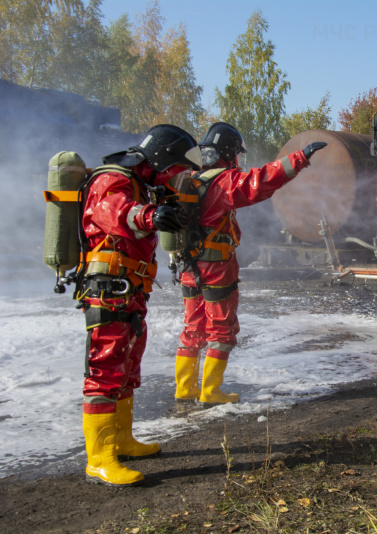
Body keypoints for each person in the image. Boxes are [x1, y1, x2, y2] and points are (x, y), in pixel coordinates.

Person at [80, 124, 201, 485]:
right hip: (108, 287)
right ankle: (99, 459)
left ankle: (121, 441)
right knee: (105, 366)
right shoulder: (113, 179)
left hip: (130, 288)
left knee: (128, 363)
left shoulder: (143, 182)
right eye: (176, 165)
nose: (177, 173)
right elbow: (112, 211)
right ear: (163, 156)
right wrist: (148, 216)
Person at [172, 122, 326, 405]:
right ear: (229, 154)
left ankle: (185, 389)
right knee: (220, 329)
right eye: (236, 155)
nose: (238, 161)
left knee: (193, 327)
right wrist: (299, 158)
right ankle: (210, 392)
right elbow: (260, 181)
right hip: (216, 267)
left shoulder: (191, 179)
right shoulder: (223, 182)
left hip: (188, 268)